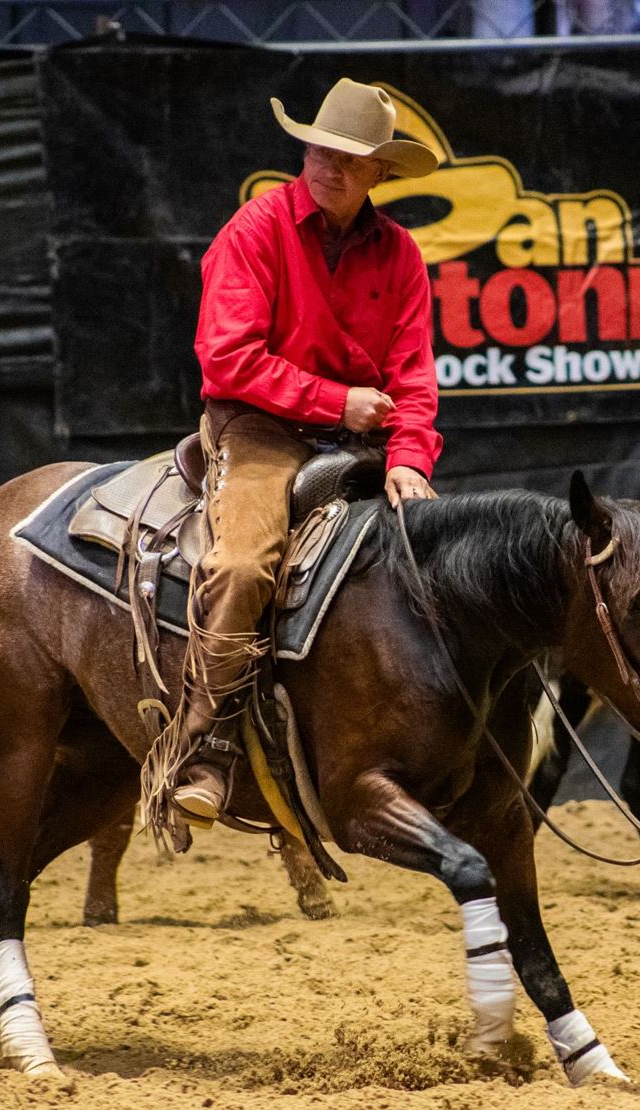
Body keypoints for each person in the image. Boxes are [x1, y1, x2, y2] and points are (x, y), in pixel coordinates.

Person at [149, 78, 446, 830]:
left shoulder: (401, 255)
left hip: (363, 437)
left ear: (379, 173)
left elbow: (413, 377)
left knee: (445, 561)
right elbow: (227, 362)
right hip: (258, 429)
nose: (330, 165)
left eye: (350, 157)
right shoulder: (255, 231)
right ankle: (205, 744)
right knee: (244, 564)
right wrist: (335, 402)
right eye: (321, 148)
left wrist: (410, 457)